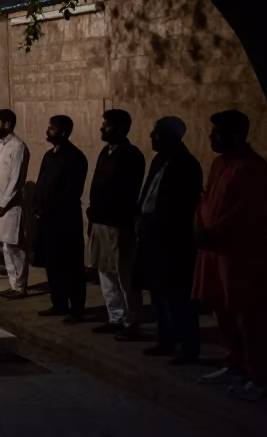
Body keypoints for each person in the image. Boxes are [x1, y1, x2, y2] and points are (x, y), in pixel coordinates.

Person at [194, 109, 267, 402]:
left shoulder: (254, 168)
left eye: (217, 133)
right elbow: (205, 198)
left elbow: (244, 210)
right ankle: (233, 363)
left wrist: (212, 230)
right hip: (214, 251)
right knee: (222, 309)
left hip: (239, 254)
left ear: (235, 135)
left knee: (248, 315)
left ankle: (259, 376)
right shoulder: (218, 164)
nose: (211, 137)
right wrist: (199, 224)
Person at [133, 116, 202, 364]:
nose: (152, 137)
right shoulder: (159, 160)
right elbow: (149, 193)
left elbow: (182, 207)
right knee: (158, 292)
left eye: (157, 134)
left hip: (172, 241)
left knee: (177, 296)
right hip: (152, 236)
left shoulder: (186, 165)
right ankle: (165, 340)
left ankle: (188, 346)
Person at [87, 109, 147, 339]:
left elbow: (126, 191)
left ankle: (133, 322)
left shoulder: (131, 155)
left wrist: (113, 214)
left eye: (107, 125)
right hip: (101, 221)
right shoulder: (106, 152)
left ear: (120, 129)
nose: (102, 129)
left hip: (118, 223)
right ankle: (115, 316)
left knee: (124, 274)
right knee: (105, 271)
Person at [31, 115, 89, 322]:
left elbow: (71, 191)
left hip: (65, 220)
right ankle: (59, 303)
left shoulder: (74, 157)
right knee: (52, 263)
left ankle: (77, 309)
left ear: (63, 132)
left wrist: (50, 208)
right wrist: (38, 206)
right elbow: (41, 184)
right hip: (47, 220)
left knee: (71, 265)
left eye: (52, 128)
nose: (48, 131)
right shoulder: (49, 156)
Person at [0, 109, 30, 299]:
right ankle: (13, 284)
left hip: (9, 207)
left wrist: (4, 203)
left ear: (8, 124)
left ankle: (20, 287)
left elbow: (16, 179)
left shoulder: (18, 147)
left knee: (14, 246)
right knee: (5, 245)